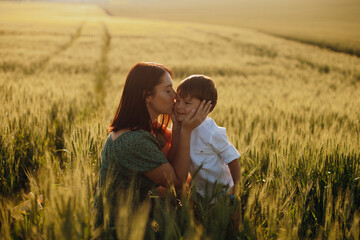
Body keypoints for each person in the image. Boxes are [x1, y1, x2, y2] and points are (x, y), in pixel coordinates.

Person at [93, 62, 212, 236]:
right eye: (168, 90)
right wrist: (185, 130)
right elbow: (178, 182)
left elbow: (174, 161)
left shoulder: (149, 128)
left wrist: (179, 126)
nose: (175, 95)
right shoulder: (134, 141)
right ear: (147, 96)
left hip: (138, 220)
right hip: (119, 230)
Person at [174, 75, 240, 202]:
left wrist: (237, 188)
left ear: (207, 107)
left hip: (222, 193)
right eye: (177, 101)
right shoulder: (180, 127)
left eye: (187, 103)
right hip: (198, 194)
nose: (179, 107)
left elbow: (232, 159)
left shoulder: (212, 132)